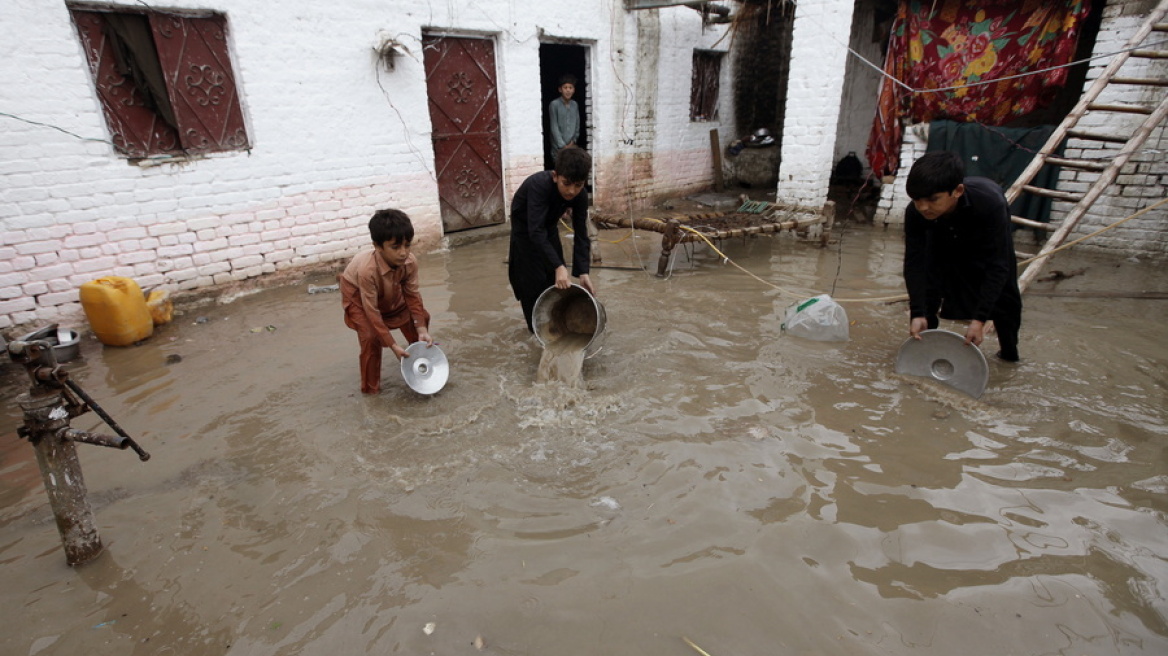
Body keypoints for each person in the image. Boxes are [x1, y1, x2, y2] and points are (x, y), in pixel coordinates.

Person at [903, 150, 1022, 362]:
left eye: (932, 199)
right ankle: (926, 357)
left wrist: (979, 320)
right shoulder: (916, 212)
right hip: (942, 244)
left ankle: (1008, 357)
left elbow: (998, 265)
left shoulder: (989, 203)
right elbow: (915, 262)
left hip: (984, 247)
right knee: (929, 292)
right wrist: (917, 312)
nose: (923, 207)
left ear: (957, 191)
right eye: (916, 200)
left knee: (1006, 304)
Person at [340, 209, 434, 394]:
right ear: (378, 246)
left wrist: (421, 329)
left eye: (407, 245)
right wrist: (392, 345)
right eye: (395, 247)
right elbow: (372, 311)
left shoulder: (409, 262)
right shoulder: (367, 270)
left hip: (388, 286)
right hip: (357, 292)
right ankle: (370, 390)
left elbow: (413, 296)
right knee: (370, 337)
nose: (403, 253)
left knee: (421, 317)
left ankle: (418, 368)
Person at [508, 146, 596, 332]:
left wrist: (583, 272)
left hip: (548, 228)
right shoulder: (539, 185)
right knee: (532, 284)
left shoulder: (579, 194)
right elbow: (535, 231)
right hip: (525, 231)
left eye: (578, 185)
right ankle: (537, 332)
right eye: (566, 183)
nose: (571, 191)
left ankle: (557, 324)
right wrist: (559, 265)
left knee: (557, 280)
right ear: (555, 176)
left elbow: (581, 232)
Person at [548, 74, 580, 154]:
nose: (568, 90)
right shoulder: (554, 104)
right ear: (560, 89)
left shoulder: (574, 105)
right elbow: (554, 127)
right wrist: (562, 146)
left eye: (570, 88)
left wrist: (573, 141)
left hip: (572, 146)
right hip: (558, 148)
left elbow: (577, 124)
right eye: (565, 88)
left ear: (574, 90)